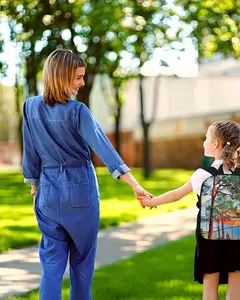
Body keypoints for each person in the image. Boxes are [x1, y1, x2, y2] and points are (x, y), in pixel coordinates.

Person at [22, 48, 151, 300]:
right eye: (78, 77)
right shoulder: (77, 111)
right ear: (62, 77)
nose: (82, 83)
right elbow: (105, 148)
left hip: (47, 194)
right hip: (81, 191)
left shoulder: (30, 107)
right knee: (81, 264)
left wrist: (35, 189)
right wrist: (134, 184)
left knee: (51, 265)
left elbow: (30, 153)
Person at [143, 120, 240, 300]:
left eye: (206, 138)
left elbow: (176, 195)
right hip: (239, 241)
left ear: (215, 144)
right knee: (235, 294)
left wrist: (152, 201)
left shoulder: (203, 175)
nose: (204, 142)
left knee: (209, 293)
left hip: (210, 242)